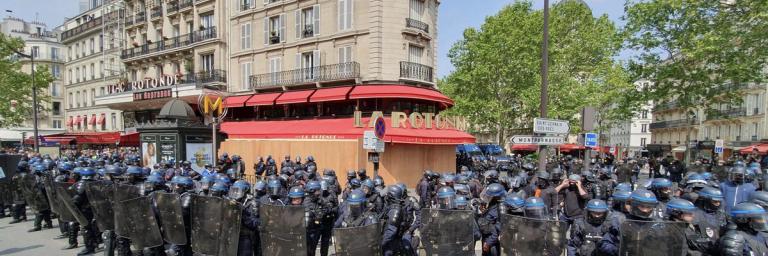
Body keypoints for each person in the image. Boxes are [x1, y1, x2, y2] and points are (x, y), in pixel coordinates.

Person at [598, 189, 659, 255]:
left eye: (649, 207)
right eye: (642, 206)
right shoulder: (620, 220)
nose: (645, 210)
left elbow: (663, 245)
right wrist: (619, 250)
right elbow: (605, 243)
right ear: (634, 205)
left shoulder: (656, 224)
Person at [477, 183, 505, 256]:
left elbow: (498, 229)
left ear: (495, 197)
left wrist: (489, 243)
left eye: (489, 196)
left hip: (491, 243)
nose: (487, 197)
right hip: (486, 237)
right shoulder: (492, 204)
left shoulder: (500, 209)